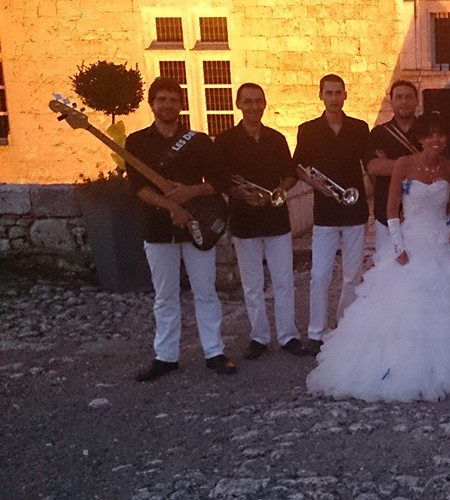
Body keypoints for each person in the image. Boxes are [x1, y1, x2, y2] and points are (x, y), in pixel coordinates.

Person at [306, 112, 450, 402]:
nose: (435, 140)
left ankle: (448, 367)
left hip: (442, 245)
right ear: (420, 138)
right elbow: (392, 210)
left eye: (440, 134)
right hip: (410, 243)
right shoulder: (404, 164)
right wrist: (397, 246)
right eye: (429, 134)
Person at [127, 76, 235, 382]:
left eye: (173, 99)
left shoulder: (199, 142)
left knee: (205, 292)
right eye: (161, 99)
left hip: (198, 224)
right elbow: (137, 188)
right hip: (158, 229)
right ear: (152, 104)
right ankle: (166, 356)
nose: (168, 105)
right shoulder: (136, 142)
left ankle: (214, 351)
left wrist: (191, 193)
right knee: (165, 296)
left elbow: (219, 181)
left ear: (181, 104)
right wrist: (172, 207)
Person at [216, 83, 309, 359]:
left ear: (265, 103)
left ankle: (288, 335)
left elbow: (290, 173)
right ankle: (258, 336)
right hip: (244, 220)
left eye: (258, 101)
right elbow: (220, 178)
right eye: (248, 101)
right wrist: (238, 192)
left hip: (276, 218)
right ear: (238, 104)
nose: (254, 106)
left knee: (283, 280)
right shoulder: (225, 141)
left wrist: (282, 188)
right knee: (252, 284)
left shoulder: (276, 139)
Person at [293, 74, 370, 355]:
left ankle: (346, 328)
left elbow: (370, 164)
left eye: (339, 93)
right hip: (324, 212)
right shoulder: (308, 129)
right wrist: (318, 186)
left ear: (345, 95)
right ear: (321, 95)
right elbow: (299, 167)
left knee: (352, 275)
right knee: (320, 275)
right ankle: (316, 333)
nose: (334, 98)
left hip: (355, 210)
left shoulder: (359, 128)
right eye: (329, 93)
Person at [365, 80, 421, 258]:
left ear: (416, 100)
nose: (404, 101)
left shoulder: (428, 131)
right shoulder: (379, 134)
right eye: (399, 97)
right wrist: (418, 164)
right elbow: (374, 167)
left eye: (408, 97)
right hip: (386, 215)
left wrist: (389, 163)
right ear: (391, 102)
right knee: (387, 267)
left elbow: (438, 166)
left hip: (421, 214)